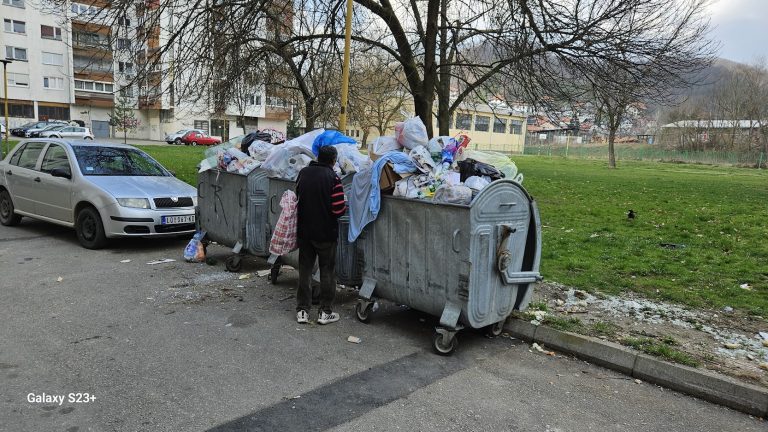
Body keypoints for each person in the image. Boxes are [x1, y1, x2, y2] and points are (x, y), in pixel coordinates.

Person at [294, 145, 346, 324]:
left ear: (318, 157)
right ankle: (325, 312)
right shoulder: (334, 178)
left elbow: (298, 196)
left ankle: (302, 311)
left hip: (304, 232)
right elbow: (338, 209)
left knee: (305, 271)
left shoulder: (303, 173)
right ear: (333, 160)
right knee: (327, 272)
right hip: (326, 234)